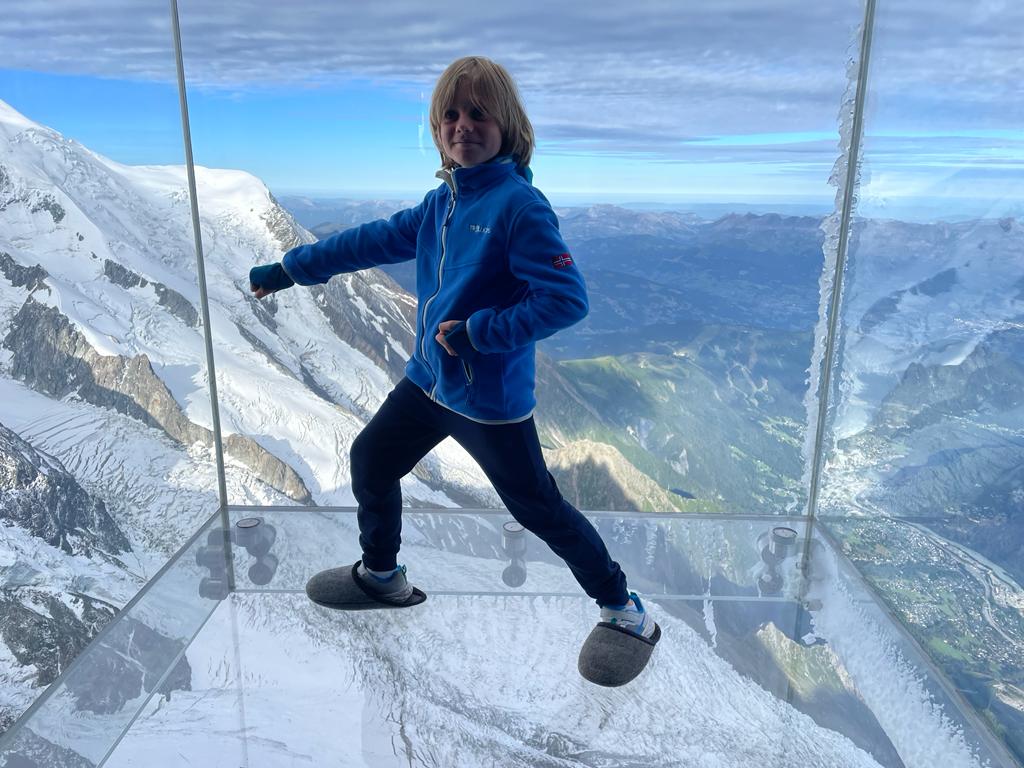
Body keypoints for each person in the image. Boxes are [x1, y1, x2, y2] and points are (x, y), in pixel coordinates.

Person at [249, 56, 658, 648]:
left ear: (508, 126)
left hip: (488, 399)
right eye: (450, 115)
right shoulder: (439, 205)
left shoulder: (519, 206)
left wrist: (480, 332)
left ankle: (624, 611)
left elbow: (567, 301)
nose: (463, 125)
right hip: (429, 382)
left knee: (537, 508)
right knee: (372, 460)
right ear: (438, 132)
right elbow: (363, 242)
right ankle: (382, 577)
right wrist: (289, 269)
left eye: (479, 113)